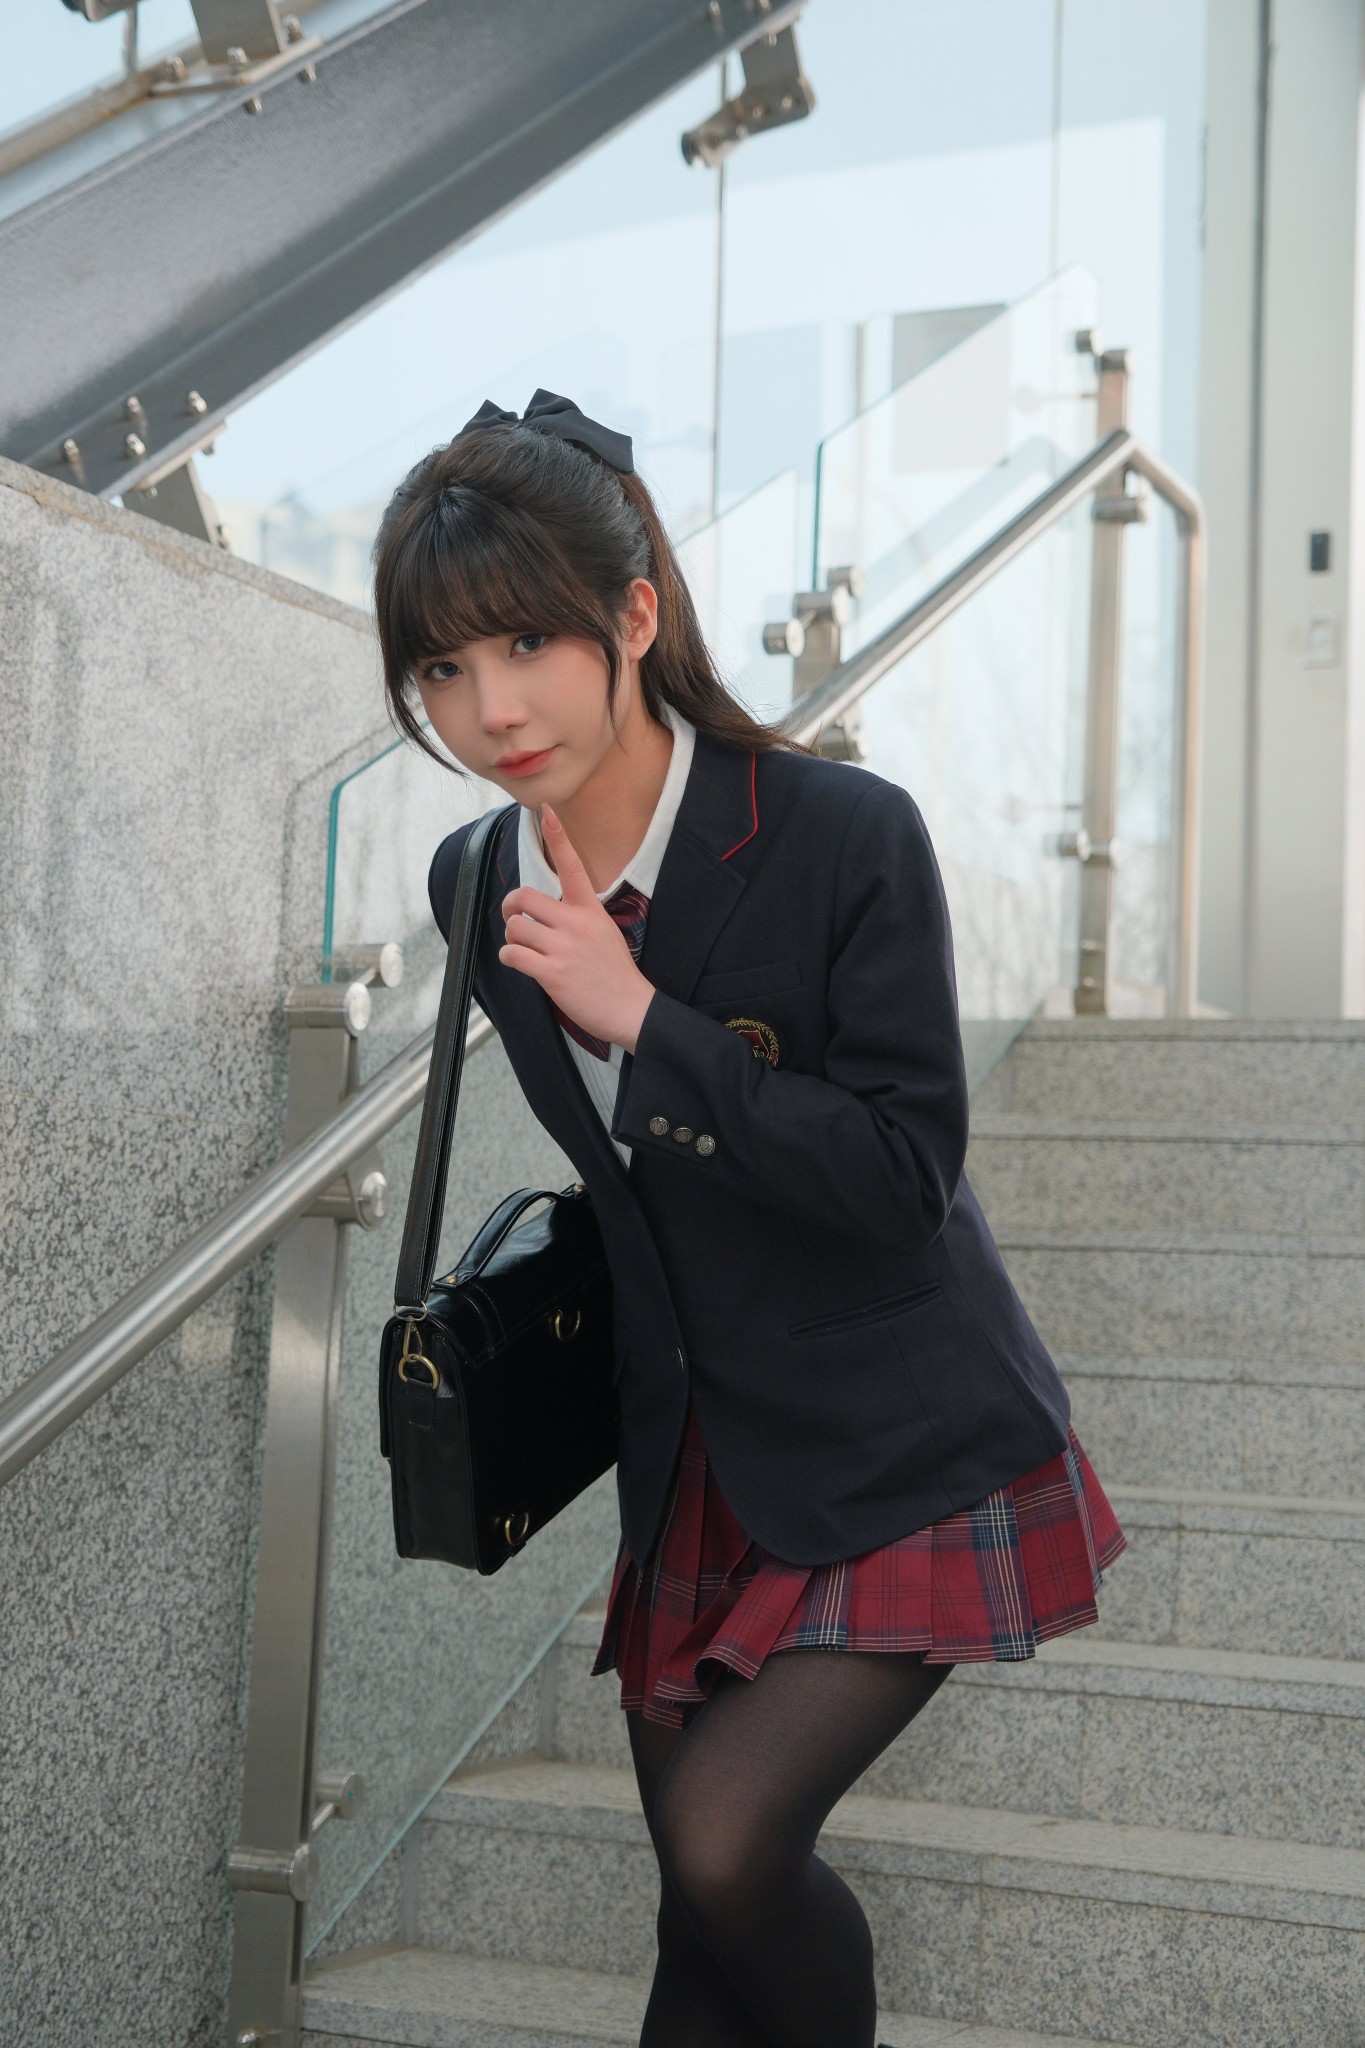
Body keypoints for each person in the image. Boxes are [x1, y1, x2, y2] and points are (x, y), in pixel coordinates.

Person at [373, 391, 1128, 2048]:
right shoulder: (475, 880)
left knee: (725, 1844)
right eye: (440, 667)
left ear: (634, 617)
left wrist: (648, 1024)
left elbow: (898, 1175)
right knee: (695, 1916)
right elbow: (632, 1188)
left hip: (900, 1429)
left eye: (526, 643)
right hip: (694, 1451)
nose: (489, 708)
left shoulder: (843, 834)